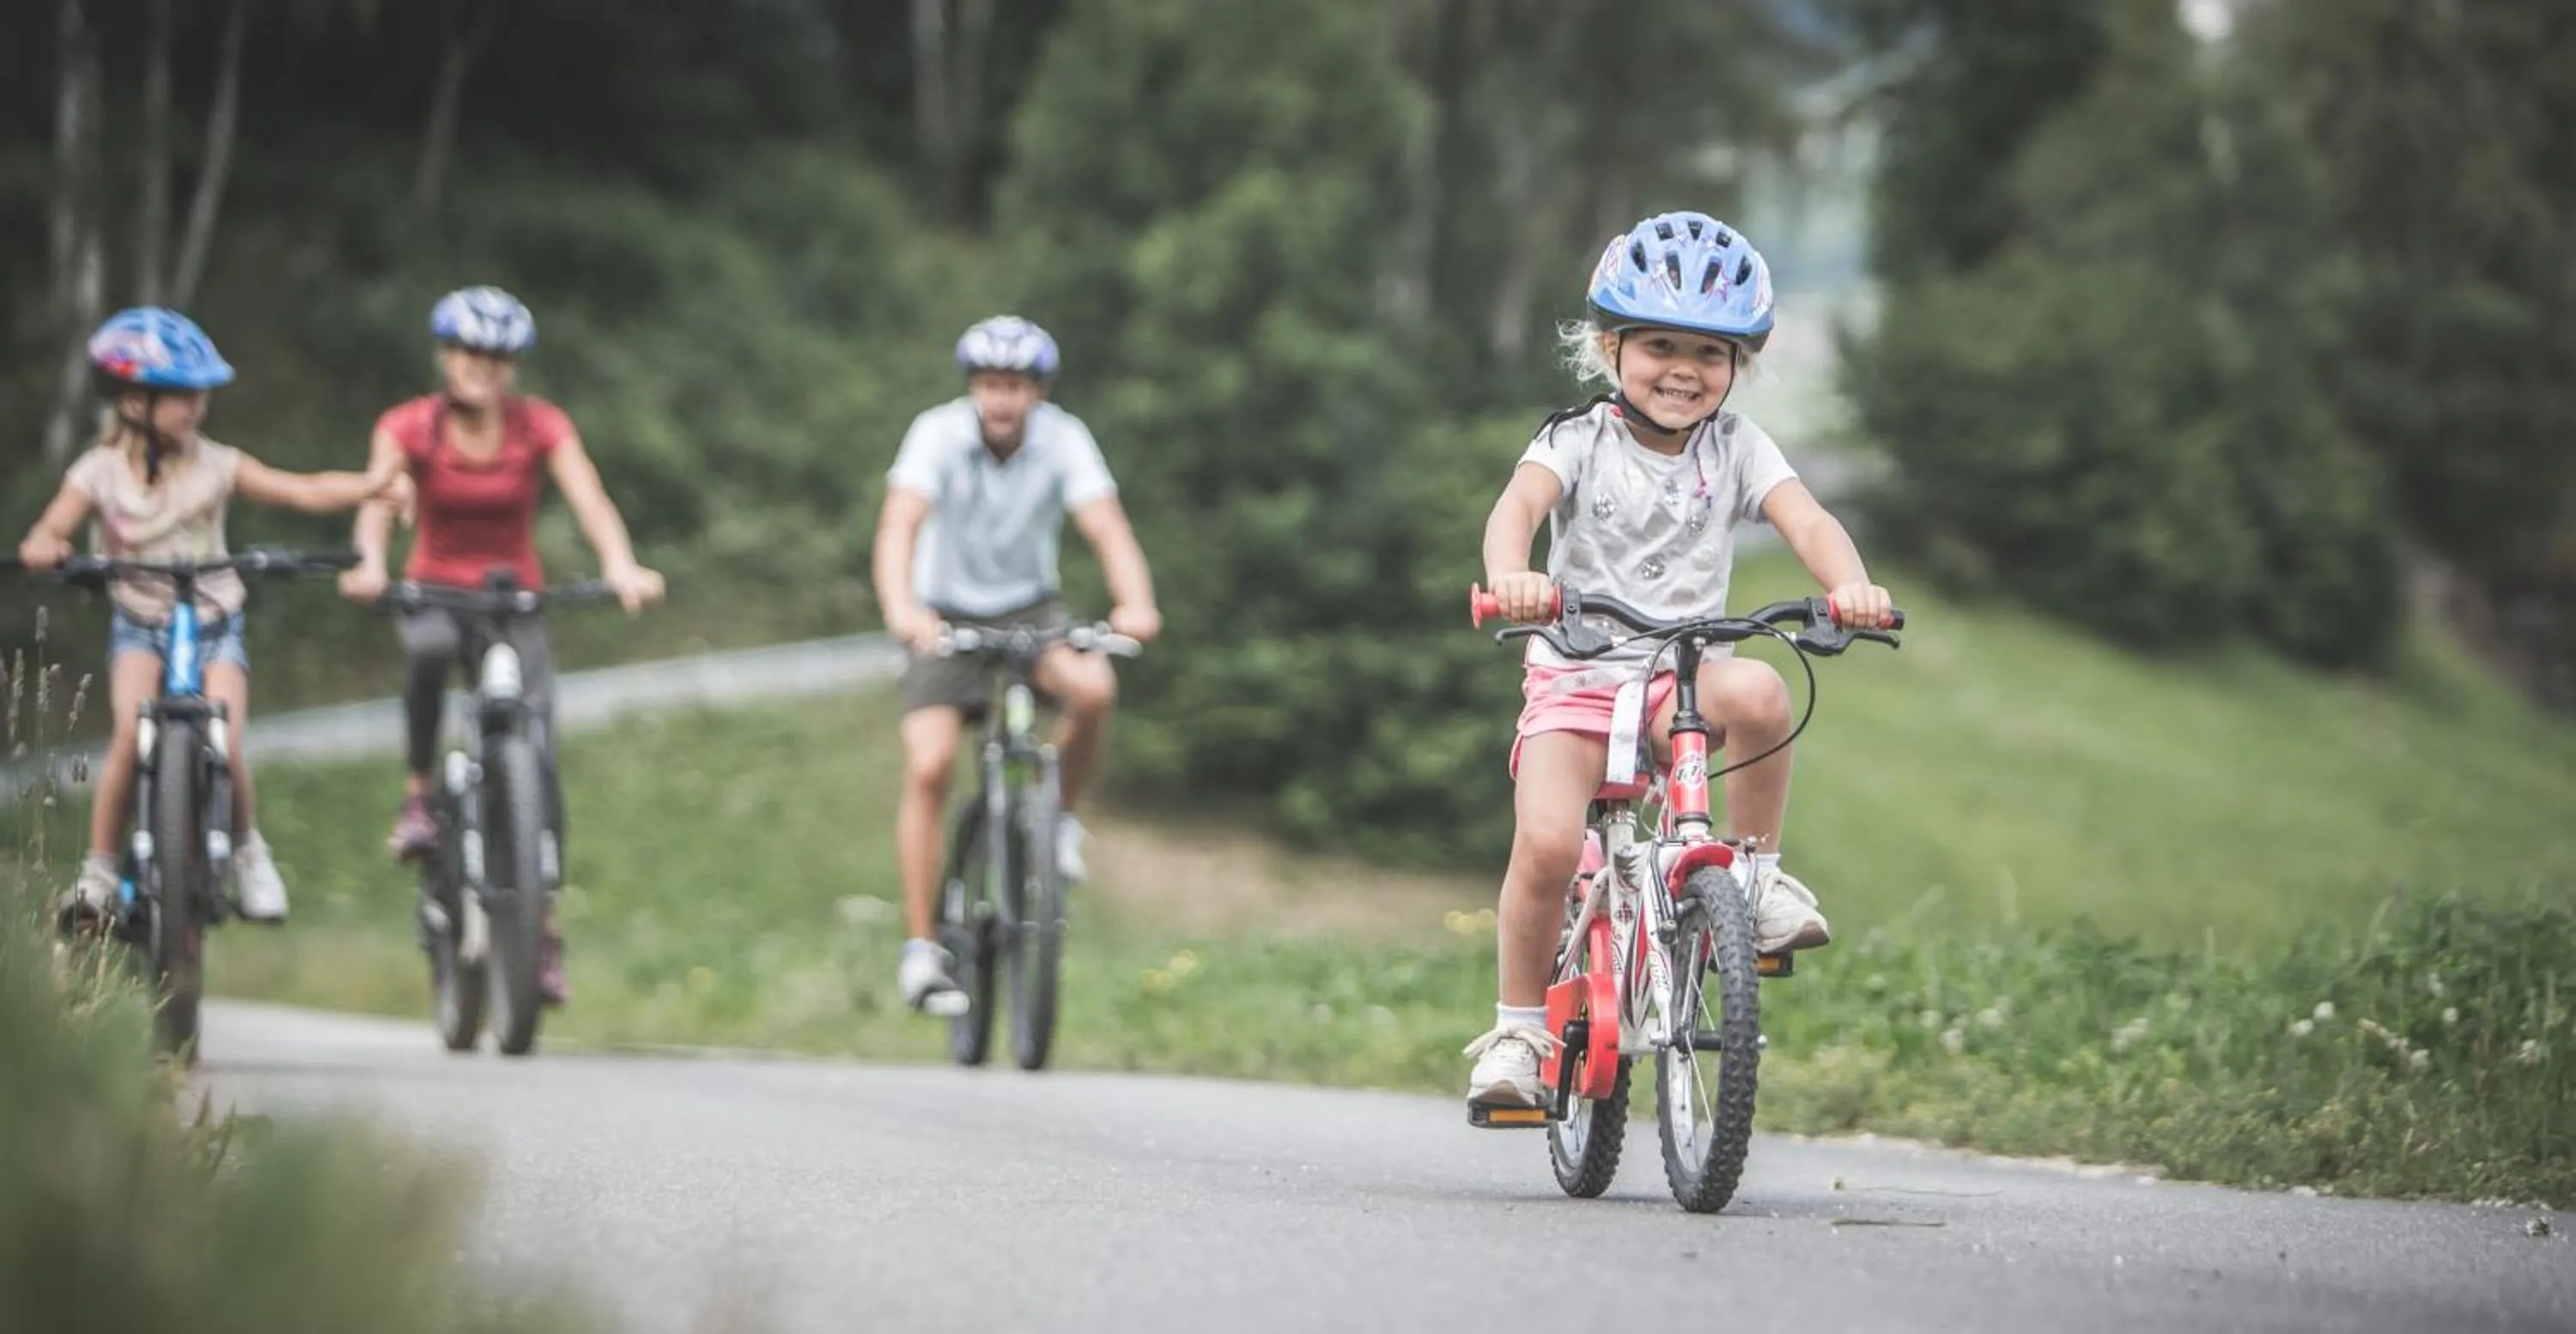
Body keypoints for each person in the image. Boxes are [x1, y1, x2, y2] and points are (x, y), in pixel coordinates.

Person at [1464, 213, 1899, 1113]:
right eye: (1659, 345)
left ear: (1740, 363)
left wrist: (1851, 586)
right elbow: (1519, 506)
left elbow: (1807, 519)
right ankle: (1517, 1032)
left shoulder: (1738, 447)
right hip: (1580, 678)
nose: (1683, 369)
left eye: (1710, 352)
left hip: (1680, 682)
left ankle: (1756, 879)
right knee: (1546, 843)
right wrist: (1513, 574)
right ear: (1610, 346)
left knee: (1765, 691)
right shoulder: (1577, 438)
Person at [17, 307, 401, 928]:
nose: (196, 408)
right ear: (134, 402)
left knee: (226, 734)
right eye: (180, 396)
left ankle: (249, 852)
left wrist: (370, 486)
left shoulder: (217, 464)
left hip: (216, 621)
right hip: (139, 624)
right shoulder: (99, 472)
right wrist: (45, 545)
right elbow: (52, 527)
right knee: (127, 736)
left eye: (200, 395)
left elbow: (300, 490)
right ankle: (100, 874)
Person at [337, 285, 664, 1004]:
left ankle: (542, 935)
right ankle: (419, 797)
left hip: (515, 600)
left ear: (511, 365)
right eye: (468, 352)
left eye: (495, 356)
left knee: (538, 754)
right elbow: (379, 502)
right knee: (426, 651)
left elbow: (590, 498)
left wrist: (620, 565)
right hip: (435, 592)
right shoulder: (409, 426)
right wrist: (371, 563)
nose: (480, 366)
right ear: (445, 356)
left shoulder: (540, 426)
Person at [872, 315, 1161, 1016]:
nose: (1002, 399)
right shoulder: (936, 433)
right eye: (990, 384)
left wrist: (1135, 602)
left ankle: (1056, 822)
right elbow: (900, 526)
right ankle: (921, 949)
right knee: (931, 765)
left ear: (1039, 393)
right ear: (973, 387)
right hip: (942, 611)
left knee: (1094, 689)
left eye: (1016, 386)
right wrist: (904, 609)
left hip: (1029, 608)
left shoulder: (1065, 438)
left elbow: (1106, 525)